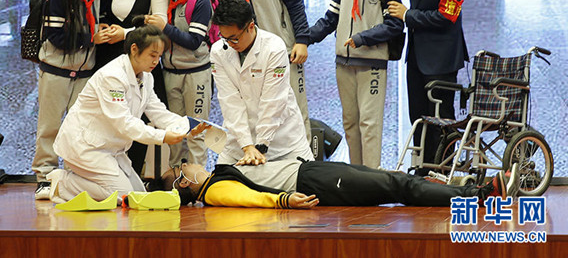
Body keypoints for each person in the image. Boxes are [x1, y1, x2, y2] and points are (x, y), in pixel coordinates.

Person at [47, 24, 210, 203]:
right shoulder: (112, 76)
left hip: (110, 148)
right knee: (122, 196)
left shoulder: (146, 76)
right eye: (152, 55)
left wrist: (187, 127)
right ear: (134, 49)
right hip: (84, 146)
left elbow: (158, 112)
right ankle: (62, 182)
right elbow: (123, 123)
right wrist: (163, 136)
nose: (156, 61)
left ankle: (81, 180)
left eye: (159, 56)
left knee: (137, 194)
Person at [205, 0, 312, 142]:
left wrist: (301, 40)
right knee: (256, 114)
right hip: (248, 59)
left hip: (285, 52)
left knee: (295, 111)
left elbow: (294, 2)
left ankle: (303, 160)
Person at [308, 0, 403, 168]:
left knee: (369, 124)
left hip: (372, 63)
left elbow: (395, 25)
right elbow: (331, 18)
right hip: (344, 62)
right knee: (350, 123)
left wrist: (363, 38)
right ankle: (357, 175)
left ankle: (371, 176)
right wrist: (304, 38)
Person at [387, 0, 469, 175]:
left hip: (442, 57)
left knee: (442, 120)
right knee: (418, 116)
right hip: (416, 54)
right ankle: (422, 172)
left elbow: (447, 17)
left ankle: (443, 174)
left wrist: (407, 15)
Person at [32, 0, 112, 199]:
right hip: (56, 69)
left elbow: (100, 19)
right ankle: (44, 176)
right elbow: (55, 36)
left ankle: (73, 177)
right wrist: (91, 39)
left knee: (79, 129)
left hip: (85, 71)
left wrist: (104, 30)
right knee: (50, 127)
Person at [94, 0, 169, 174]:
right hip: (107, 57)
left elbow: (158, 24)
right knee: (107, 118)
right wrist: (100, 29)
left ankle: (134, 175)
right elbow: (96, 13)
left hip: (141, 59)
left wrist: (125, 33)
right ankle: (104, 173)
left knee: (138, 118)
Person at [159, 159, 519, 209]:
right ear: (184, 181)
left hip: (311, 171)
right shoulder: (215, 190)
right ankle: (480, 195)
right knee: (399, 186)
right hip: (314, 182)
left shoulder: (216, 177)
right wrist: (286, 200)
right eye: (182, 166)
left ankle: (475, 193)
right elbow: (251, 199)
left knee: (399, 180)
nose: (189, 162)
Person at [210, 0, 313, 166]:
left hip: (283, 140)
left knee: (306, 179)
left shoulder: (274, 48)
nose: (229, 44)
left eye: (234, 38)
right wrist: (247, 145)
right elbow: (229, 100)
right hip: (238, 141)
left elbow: (273, 101)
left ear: (250, 26)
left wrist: (261, 145)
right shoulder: (218, 51)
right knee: (219, 178)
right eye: (224, 37)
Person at [145, 0, 213, 166]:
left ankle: (198, 179)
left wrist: (165, 27)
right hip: (170, 73)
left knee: (196, 132)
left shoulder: (201, 0)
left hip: (197, 73)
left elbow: (194, 41)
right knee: (175, 131)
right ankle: (175, 178)